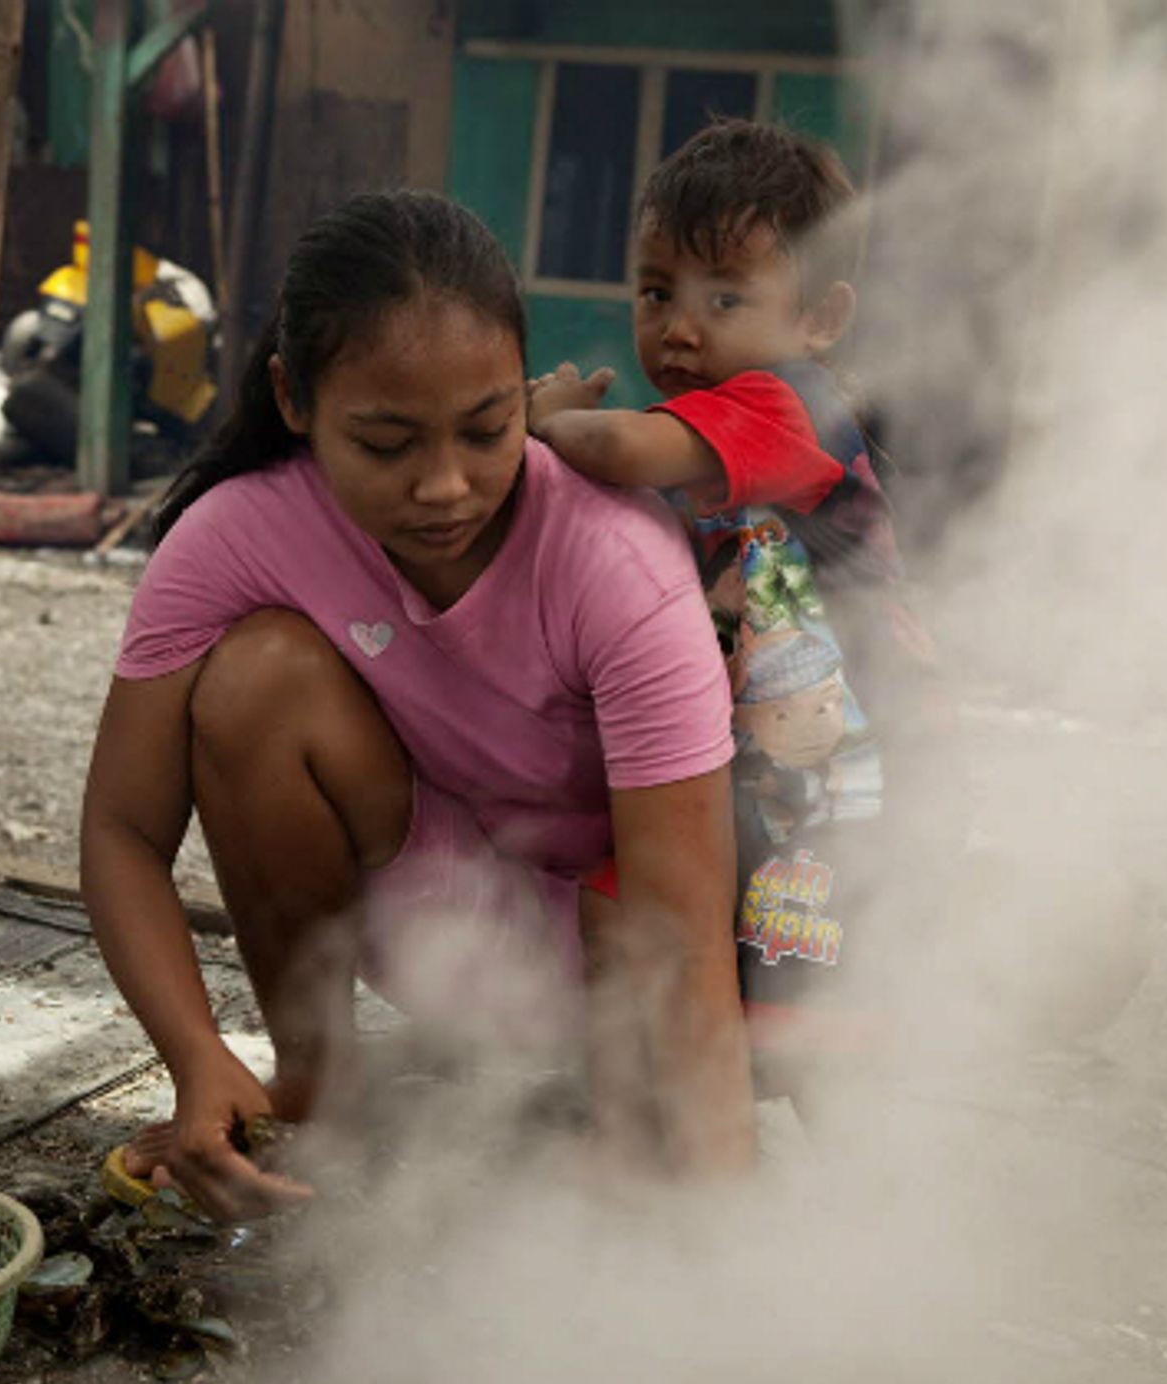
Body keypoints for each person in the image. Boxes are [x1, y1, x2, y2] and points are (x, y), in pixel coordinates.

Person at [80, 190, 755, 1222]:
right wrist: (196, 1054)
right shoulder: (235, 533)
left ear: (522, 389)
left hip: (623, 955)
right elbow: (124, 827)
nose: (444, 486)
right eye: (387, 443)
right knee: (257, 678)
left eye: (485, 430)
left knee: (690, 1162)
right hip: (447, 927)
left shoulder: (616, 560)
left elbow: (685, 932)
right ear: (293, 400)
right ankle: (311, 1077)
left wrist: (730, 1232)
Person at [527, 119, 950, 1057]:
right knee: (640, 913)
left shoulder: (788, 404)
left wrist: (551, 422)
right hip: (769, 764)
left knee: (815, 1016)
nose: (679, 326)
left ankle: (781, 1161)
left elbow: (622, 448)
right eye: (656, 290)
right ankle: (661, 1121)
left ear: (821, 318)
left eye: (726, 296)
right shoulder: (729, 412)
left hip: (845, 764)